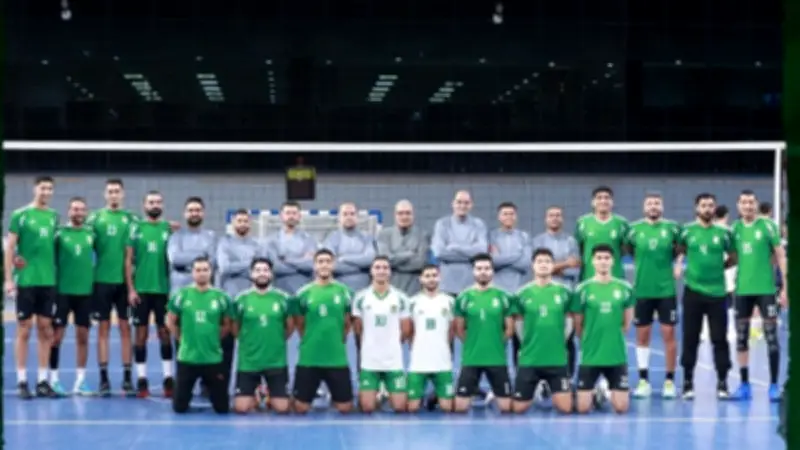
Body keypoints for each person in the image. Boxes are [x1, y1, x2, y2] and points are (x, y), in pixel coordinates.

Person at [675, 193, 734, 400]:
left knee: (720, 339)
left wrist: (720, 268)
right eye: (703, 205)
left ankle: (722, 382)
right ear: (696, 208)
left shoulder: (724, 233)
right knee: (690, 338)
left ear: (715, 208)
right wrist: (679, 264)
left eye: (710, 205)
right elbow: (679, 250)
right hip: (693, 292)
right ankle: (688, 381)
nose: (707, 209)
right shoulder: (686, 231)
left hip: (718, 293)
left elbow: (734, 256)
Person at [5, 176, 59, 399]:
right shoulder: (20, 215)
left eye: (49, 188)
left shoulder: (54, 216)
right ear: (35, 188)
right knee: (24, 329)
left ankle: (42, 381)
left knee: (46, 329)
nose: (46, 192)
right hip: (27, 281)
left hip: (48, 282)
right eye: (42, 187)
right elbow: (10, 248)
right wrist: (8, 279)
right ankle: (21, 381)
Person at [730, 190, 786, 402]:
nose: (748, 206)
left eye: (751, 202)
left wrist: (786, 288)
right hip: (742, 290)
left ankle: (774, 385)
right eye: (744, 202)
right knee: (741, 338)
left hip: (766, 290)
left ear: (756, 204)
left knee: (772, 338)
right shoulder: (734, 229)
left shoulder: (768, 226)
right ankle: (744, 385)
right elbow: (732, 258)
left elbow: (780, 256)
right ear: (738, 206)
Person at [87, 178, 138, 396]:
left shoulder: (132, 219)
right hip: (101, 282)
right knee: (103, 329)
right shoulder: (94, 219)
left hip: (124, 283)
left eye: (117, 191)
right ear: (105, 194)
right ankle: (104, 379)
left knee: (126, 329)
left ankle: (127, 378)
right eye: (110, 191)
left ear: (123, 194)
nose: (114, 194)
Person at [627, 193, 681, 399]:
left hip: (666, 290)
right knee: (642, 336)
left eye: (657, 203)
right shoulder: (633, 230)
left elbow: (682, 248)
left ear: (662, 207)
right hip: (642, 290)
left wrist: (678, 264)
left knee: (669, 335)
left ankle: (669, 381)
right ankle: (643, 381)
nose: (653, 206)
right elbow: (628, 250)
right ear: (644, 207)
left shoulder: (673, 228)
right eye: (649, 203)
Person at [290, 249, 354, 414]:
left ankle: (334, 395)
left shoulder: (345, 292)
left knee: (345, 408)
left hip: (336, 358)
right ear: (314, 266)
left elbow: (347, 322)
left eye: (328, 261)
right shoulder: (303, 293)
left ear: (333, 265)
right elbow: (299, 324)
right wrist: (310, 338)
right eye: (320, 262)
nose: (324, 265)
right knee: (300, 408)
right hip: (309, 358)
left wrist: (337, 338)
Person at [511, 248, 574, 414]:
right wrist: (528, 342)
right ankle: (538, 387)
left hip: (556, 359)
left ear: (553, 265)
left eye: (547, 261)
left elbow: (569, 321)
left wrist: (560, 340)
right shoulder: (522, 294)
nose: (543, 265)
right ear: (533, 265)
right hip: (530, 359)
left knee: (565, 408)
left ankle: (597, 393)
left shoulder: (564, 292)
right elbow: (518, 324)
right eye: (539, 261)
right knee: (518, 409)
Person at [167, 257, 231, 414]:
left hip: (213, 358)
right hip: (188, 358)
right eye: (198, 270)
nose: (202, 273)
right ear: (192, 273)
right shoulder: (181, 295)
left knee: (222, 408)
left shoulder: (221, 297)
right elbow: (170, 321)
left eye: (205, 270)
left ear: (211, 272)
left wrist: (214, 340)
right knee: (179, 408)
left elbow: (227, 325)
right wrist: (182, 339)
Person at [126, 191, 175, 398]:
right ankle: (142, 378)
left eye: (158, 202)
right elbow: (128, 260)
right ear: (144, 205)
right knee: (141, 335)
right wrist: (131, 289)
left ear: (162, 205)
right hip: (142, 290)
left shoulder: (169, 229)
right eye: (151, 202)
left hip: (163, 290)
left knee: (165, 333)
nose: (155, 205)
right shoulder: (136, 228)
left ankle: (168, 378)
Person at [574, 244, 633, 414]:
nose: (603, 262)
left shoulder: (624, 288)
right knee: (583, 409)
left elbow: (626, 324)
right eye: (599, 258)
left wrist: (612, 338)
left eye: (607, 258)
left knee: (621, 408)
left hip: (616, 356)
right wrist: (589, 340)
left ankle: (604, 389)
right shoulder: (582, 289)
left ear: (613, 261)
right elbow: (578, 325)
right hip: (590, 356)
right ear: (592, 261)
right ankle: (594, 392)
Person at [452, 253, 513, 413]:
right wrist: (473, 343)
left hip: (497, 359)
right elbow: (459, 329)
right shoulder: (463, 297)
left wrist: (496, 343)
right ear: (473, 271)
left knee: (506, 408)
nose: (483, 272)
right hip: (471, 359)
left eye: (487, 268)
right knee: (460, 408)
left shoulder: (504, 296)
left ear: (493, 271)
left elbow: (509, 329)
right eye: (479, 268)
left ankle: (493, 394)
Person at [232, 257, 293, 414]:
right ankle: (258, 393)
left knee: (282, 409)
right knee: (241, 408)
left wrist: (277, 339)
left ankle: (269, 394)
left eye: (265, 270)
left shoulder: (283, 298)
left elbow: (290, 326)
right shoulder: (241, 299)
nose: (262, 273)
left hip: (276, 361)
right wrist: (247, 341)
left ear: (271, 274)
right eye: (258, 270)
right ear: (251, 274)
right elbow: (234, 327)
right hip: (249, 362)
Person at [352, 256, 412, 413]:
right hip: (370, 361)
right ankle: (377, 393)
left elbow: (406, 330)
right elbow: (358, 328)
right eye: (377, 267)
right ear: (371, 271)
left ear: (390, 272)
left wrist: (392, 344)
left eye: (385, 268)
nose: (381, 271)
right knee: (367, 407)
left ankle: (386, 390)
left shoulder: (401, 298)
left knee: (400, 407)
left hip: (393, 361)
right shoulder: (360, 297)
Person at [50, 197, 95, 396]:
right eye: (75, 209)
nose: (78, 212)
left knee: (83, 337)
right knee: (56, 337)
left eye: (82, 209)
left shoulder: (91, 234)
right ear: (69, 211)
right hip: (62, 293)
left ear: (86, 213)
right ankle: (53, 380)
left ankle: (80, 381)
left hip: (85, 294)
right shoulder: (59, 234)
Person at [531, 205, 581, 380]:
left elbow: (575, 269)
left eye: (558, 215)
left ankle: (568, 376)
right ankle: (541, 378)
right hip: (542, 294)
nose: (554, 218)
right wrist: (564, 264)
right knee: (543, 336)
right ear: (546, 219)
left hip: (566, 294)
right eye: (551, 215)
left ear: (562, 219)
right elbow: (537, 269)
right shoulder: (537, 241)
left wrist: (551, 268)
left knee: (567, 338)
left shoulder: (571, 241)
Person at [406, 265, 456, 413]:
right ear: (421, 279)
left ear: (440, 278)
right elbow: (409, 331)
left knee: (447, 408)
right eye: (427, 276)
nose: (431, 279)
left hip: (442, 362)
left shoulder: (450, 301)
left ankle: (434, 397)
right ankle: (422, 396)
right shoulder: (412, 302)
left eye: (434, 275)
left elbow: (452, 330)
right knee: (412, 408)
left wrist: (442, 346)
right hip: (419, 363)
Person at [431, 190, 489, 296]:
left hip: (471, 285)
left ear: (471, 205)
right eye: (459, 202)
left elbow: (481, 251)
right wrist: (470, 254)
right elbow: (439, 252)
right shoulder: (442, 224)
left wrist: (455, 247)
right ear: (453, 203)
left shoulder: (479, 224)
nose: (462, 206)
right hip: (447, 285)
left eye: (466, 203)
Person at [575, 186, 629, 281]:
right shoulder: (582, 223)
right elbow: (579, 248)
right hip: (589, 276)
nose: (603, 201)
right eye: (599, 198)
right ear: (593, 202)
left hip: (615, 276)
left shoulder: (621, 223)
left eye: (607, 198)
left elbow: (626, 249)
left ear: (612, 202)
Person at [264, 201, 319, 294]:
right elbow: (275, 267)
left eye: (294, 213)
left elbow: (310, 265)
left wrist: (285, 260)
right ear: (281, 216)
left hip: (304, 290)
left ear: (299, 216)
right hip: (279, 290)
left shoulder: (309, 239)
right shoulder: (271, 241)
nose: (291, 216)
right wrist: (301, 261)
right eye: (288, 213)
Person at [376, 200, 430, 295]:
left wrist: (395, 261)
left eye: (408, 213)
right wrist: (410, 254)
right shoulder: (384, 235)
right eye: (400, 213)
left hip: (415, 289)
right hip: (390, 289)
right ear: (395, 215)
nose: (404, 217)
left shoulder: (423, 235)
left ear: (413, 215)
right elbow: (386, 261)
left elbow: (420, 263)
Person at [324, 202, 376, 293]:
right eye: (345, 214)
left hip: (364, 290)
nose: (349, 217)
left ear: (357, 217)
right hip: (339, 291)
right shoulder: (332, 238)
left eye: (352, 214)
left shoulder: (367, 237)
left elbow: (370, 260)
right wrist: (362, 268)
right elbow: (330, 265)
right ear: (339, 218)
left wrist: (343, 258)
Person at [168, 197, 217, 292]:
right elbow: (175, 259)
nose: (194, 213)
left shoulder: (210, 236)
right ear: (185, 213)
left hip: (204, 291)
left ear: (203, 213)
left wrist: (186, 262)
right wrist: (202, 255)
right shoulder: (176, 236)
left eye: (198, 210)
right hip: (180, 290)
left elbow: (212, 263)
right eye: (190, 210)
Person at [217, 209, 261, 298]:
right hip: (229, 291)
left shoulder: (257, 245)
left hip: (251, 292)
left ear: (250, 223)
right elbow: (225, 268)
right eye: (239, 221)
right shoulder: (224, 243)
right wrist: (250, 263)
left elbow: (259, 271)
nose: (242, 224)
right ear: (233, 223)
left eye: (245, 221)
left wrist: (234, 269)